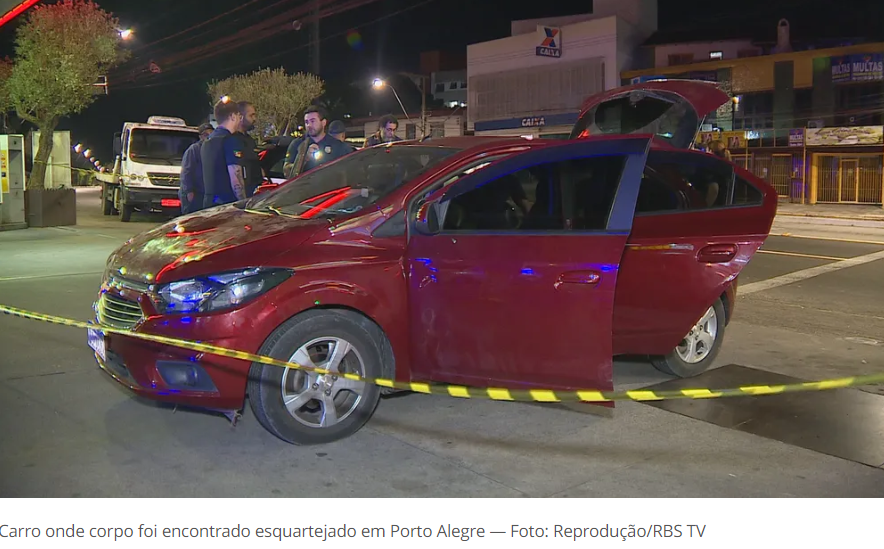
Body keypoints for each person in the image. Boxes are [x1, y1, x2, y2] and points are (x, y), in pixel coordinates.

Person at [283, 105, 353, 179]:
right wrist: (303, 159)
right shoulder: (297, 144)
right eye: (306, 122)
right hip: (304, 189)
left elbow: (350, 170)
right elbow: (286, 172)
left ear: (323, 123)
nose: (309, 125)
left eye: (313, 121)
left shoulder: (338, 146)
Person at [201, 99, 246, 209]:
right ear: (233, 116)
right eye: (239, 116)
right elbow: (235, 176)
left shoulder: (208, 141)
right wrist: (243, 202)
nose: (240, 120)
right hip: (227, 204)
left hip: (208, 203)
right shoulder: (230, 140)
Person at [178, 123, 213, 214]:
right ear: (200, 136)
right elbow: (186, 172)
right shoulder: (194, 149)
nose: (209, 136)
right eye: (205, 134)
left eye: (211, 133)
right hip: (193, 192)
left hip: (203, 192)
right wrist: (189, 191)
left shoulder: (212, 149)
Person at [231, 101, 262, 197]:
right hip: (243, 194)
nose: (254, 119)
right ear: (240, 116)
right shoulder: (233, 140)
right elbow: (236, 172)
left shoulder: (250, 140)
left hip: (255, 193)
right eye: (251, 115)